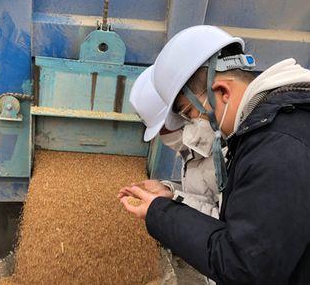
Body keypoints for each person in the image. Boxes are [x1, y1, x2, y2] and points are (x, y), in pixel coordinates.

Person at [119, 25, 310, 284]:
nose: (193, 123)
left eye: (190, 113)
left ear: (222, 91)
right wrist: (170, 196)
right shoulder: (269, 131)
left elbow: (244, 268)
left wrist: (159, 212)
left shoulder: (278, 147)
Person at [129, 75, 220, 218]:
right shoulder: (195, 152)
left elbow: (226, 227)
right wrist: (168, 189)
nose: (164, 135)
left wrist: (167, 208)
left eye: (166, 127)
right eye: (161, 130)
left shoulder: (223, 155)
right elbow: (202, 197)